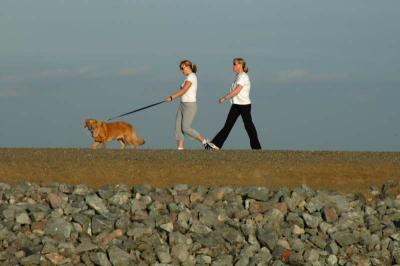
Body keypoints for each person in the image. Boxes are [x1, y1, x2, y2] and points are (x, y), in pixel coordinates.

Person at [206, 58, 261, 150]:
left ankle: (257, 148)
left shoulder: (243, 76)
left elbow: (237, 91)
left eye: (235, 64)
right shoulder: (238, 76)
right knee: (228, 125)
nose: (233, 66)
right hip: (236, 105)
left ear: (240, 65)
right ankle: (215, 145)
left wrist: (224, 98)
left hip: (244, 105)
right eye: (233, 64)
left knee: (249, 126)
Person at [165, 60, 209, 150]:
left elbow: (184, 91)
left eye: (182, 68)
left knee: (185, 128)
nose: (181, 71)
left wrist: (171, 97)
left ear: (188, 66)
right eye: (180, 69)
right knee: (178, 128)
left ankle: (205, 142)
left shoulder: (192, 77)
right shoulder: (187, 78)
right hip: (182, 105)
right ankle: (180, 148)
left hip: (190, 105)